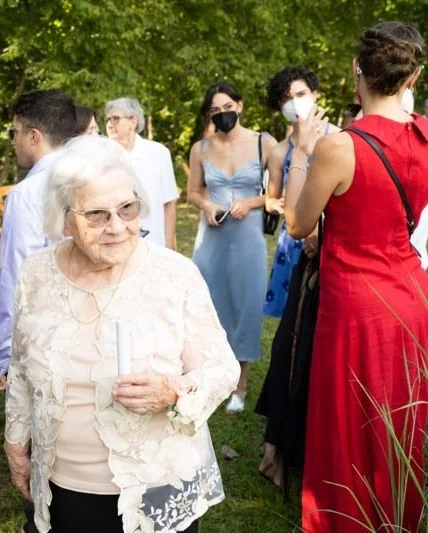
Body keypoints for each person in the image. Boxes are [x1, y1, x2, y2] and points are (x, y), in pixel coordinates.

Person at [4, 135, 239, 532]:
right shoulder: (37, 274)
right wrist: (15, 441)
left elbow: (222, 369)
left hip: (157, 484)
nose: (116, 227)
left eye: (128, 208)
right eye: (96, 214)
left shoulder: (174, 275)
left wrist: (174, 392)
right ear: (64, 218)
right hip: (64, 488)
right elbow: (22, 366)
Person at [283, 21, 428, 532]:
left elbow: (298, 225)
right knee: (400, 414)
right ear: (412, 77)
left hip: (354, 302)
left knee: (348, 416)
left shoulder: (338, 147)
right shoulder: (426, 137)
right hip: (411, 293)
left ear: (357, 70)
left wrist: (303, 150)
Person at [187, 83, 276, 413]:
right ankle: (209, 374)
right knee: (207, 303)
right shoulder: (201, 149)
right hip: (212, 237)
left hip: (248, 238)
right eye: (215, 110)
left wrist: (250, 202)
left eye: (227, 106)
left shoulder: (264, 143)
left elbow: (277, 195)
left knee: (246, 304)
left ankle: (240, 384)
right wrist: (206, 205)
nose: (222, 114)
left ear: (239, 105)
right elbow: (192, 193)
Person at [0, 89, 78, 390]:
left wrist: (1, 354)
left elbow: (18, 277)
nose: (13, 141)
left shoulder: (27, 194)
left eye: (14, 132)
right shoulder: (96, 176)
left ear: (34, 136)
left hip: (48, 335)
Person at [263, 67, 337, 317]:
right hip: (292, 238)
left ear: (315, 94)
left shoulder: (339, 138)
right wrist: (276, 204)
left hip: (330, 235)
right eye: (286, 98)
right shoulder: (278, 151)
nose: (294, 102)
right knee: (293, 317)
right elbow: (271, 199)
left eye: (301, 94)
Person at [105, 97, 178, 249]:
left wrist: (169, 243)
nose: (110, 124)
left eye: (115, 119)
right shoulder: (103, 154)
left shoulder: (159, 152)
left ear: (133, 122)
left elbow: (169, 202)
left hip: (154, 241)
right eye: (108, 120)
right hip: (117, 240)